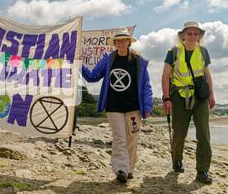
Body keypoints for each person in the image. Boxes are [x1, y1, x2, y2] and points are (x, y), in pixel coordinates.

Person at [82, 28, 153, 183]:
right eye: (118, 41)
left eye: (124, 40)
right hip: (114, 106)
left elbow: (146, 85)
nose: (121, 43)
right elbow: (92, 77)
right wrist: (79, 65)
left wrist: (148, 106)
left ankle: (130, 168)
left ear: (129, 42)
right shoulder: (108, 60)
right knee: (119, 137)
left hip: (133, 107)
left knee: (132, 138)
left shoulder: (138, 61)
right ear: (114, 43)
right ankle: (121, 169)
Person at [161, 21, 215, 184]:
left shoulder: (203, 52)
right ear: (183, 35)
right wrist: (166, 98)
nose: (193, 36)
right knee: (179, 133)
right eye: (189, 33)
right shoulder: (173, 52)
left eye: (196, 33)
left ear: (199, 36)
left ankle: (203, 171)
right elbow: (165, 77)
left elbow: (208, 76)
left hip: (200, 97)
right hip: (179, 97)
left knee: (204, 134)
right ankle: (177, 159)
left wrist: (211, 96)